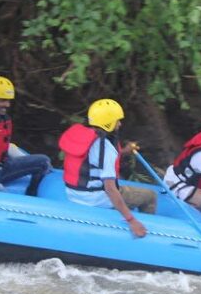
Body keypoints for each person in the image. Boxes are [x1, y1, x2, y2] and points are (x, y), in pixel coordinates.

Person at [60, 98, 157, 238]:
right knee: (150, 195)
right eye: (117, 121)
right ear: (108, 123)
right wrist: (131, 220)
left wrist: (124, 151)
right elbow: (110, 189)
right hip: (96, 199)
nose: (120, 124)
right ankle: (148, 234)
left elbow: (93, 159)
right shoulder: (106, 148)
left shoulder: (83, 137)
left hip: (74, 194)